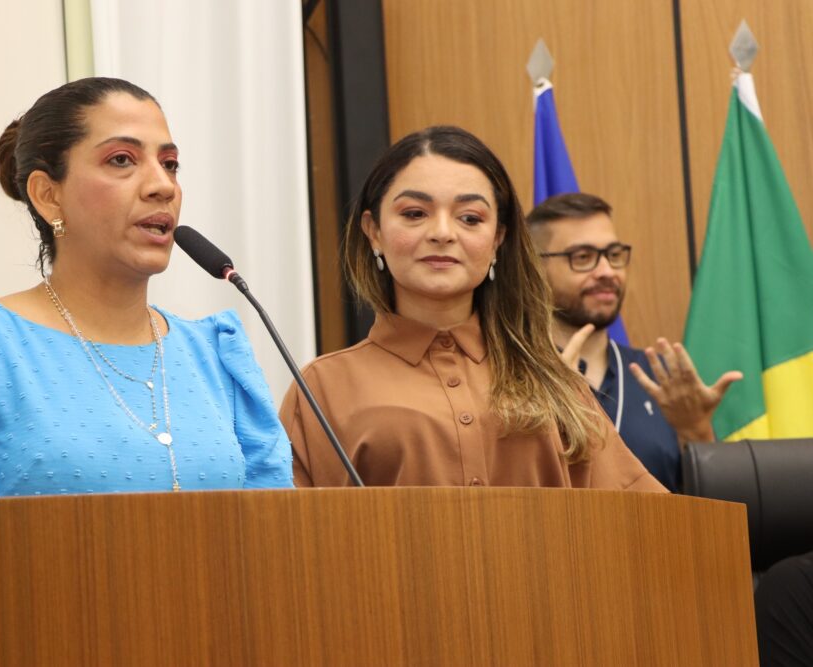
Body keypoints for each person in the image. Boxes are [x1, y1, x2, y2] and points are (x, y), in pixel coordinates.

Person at [0, 77, 291, 502]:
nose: (163, 185)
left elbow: (272, 538)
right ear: (48, 196)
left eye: (170, 163)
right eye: (122, 160)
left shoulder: (215, 356)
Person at [279, 126, 664, 491]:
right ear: (374, 231)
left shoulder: (554, 380)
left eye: (470, 218)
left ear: (498, 238)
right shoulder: (321, 389)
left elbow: (639, 519)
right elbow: (293, 539)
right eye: (415, 213)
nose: (443, 233)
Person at [527, 193, 742, 491]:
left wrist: (696, 431)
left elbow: (718, 510)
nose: (607, 272)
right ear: (534, 269)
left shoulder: (661, 381)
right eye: (583, 258)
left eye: (614, 254)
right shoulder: (516, 381)